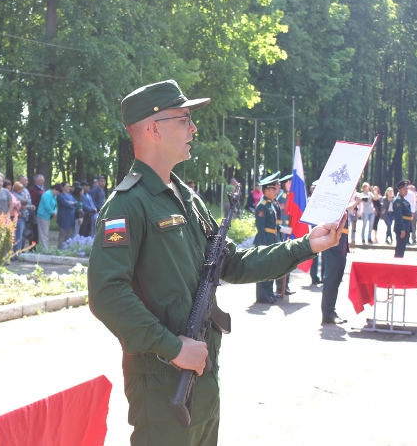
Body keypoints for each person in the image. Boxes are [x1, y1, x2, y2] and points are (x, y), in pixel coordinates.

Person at [87, 80, 342, 446]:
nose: (193, 128)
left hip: (202, 375)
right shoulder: (127, 205)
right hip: (162, 382)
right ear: (153, 128)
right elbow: (107, 294)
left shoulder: (188, 199)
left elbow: (233, 263)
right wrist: (173, 347)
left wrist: (306, 245)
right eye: (184, 119)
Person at [321, 196, 359, 324]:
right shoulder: (334, 203)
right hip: (334, 250)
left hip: (340, 249)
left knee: (335, 281)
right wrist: (356, 202)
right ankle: (327, 313)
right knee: (331, 280)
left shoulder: (340, 204)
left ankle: (330, 310)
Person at [253, 172, 282, 303]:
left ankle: (269, 292)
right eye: (273, 189)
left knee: (270, 267)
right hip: (264, 241)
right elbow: (261, 228)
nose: (276, 191)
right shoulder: (262, 206)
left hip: (272, 239)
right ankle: (262, 295)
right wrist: (264, 245)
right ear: (267, 190)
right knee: (264, 268)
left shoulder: (271, 204)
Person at [275, 173, 293, 295]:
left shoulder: (291, 197)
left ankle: (285, 286)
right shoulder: (281, 197)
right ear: (286, 183)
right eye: (290, 183)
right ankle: (280, 286)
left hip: (289, 231)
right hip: (282, 232)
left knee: (290, 257)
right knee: (282, 258)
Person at [37, 183, 61, 252]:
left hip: (48, 216)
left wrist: (55, 211)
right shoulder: (47, 195)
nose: (58, 193)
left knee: (46, 233)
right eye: (58, 191)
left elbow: (54, 205)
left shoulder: (54, 196)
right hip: (43, 216)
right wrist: (53, 212)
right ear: (54, 189)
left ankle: (45, 248)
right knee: (43, 233)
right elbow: (47, 206)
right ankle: (44, 249)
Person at [392, 180, 412, 258]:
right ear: (400, 190)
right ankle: (396, 267)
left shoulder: (404, 201)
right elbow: (398, 217)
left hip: (406, 227)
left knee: (402, 248)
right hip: (402, 228)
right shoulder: (398, 201)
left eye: (407, 189)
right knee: (399, 249)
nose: (406, 191)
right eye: (404, 189)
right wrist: (402, 230)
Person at [56, 181, 77, 249]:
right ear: (62, 187)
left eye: (69, 186)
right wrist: (72, 205)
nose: (69, 188)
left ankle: (66, 249)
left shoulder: (70, 195)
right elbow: (66, 204)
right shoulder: (60, 195)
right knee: (62, 235)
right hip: (63, 219)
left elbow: (77, 203)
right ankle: (60, 250)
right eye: (67, 186)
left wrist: (72, 203)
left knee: (69, 236)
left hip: (71, 218)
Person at [12, 181, 31, 251]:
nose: (22, 191)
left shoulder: (20, 194)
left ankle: (20, 250)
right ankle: (16, 251)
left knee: (22, 235)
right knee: (18, 236)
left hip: (24, 216)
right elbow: (24, 204)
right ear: (16, 189)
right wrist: (26, 197)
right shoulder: (15, 195)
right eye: (20, 189)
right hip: (19, 217)